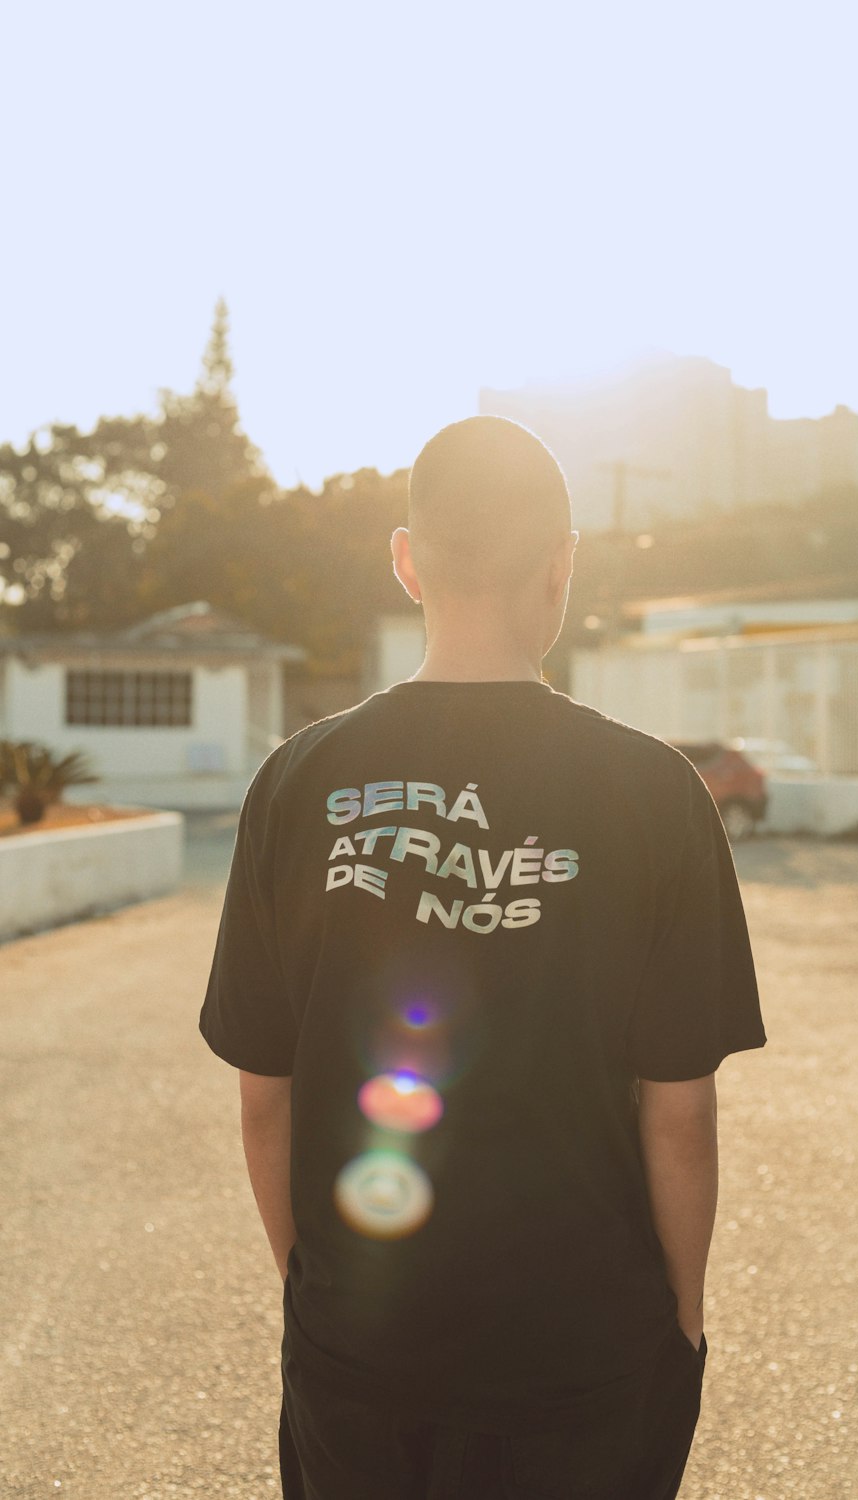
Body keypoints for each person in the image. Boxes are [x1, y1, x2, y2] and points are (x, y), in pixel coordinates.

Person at [199, 414, 766, 1499]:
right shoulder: (655, 795)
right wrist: (682, 1327)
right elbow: (678, 1115)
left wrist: (311, 1299)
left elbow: (262, 1099)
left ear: (407, 561)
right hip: (586, 1359)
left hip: (362, 1349)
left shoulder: (298, 781)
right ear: (562, 569)